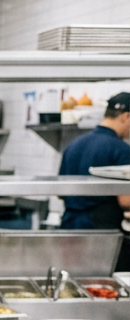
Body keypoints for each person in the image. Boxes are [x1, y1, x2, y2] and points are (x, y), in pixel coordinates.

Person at [59, 92, 130, 230]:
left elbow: (60, 192)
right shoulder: (121, 149)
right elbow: (126, 200)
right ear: (126, 116)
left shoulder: (74, 144)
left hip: (68, 226)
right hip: (100, 230)